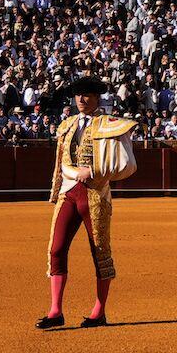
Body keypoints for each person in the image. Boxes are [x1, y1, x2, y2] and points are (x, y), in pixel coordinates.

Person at [39, 76, 139, 329]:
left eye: (87, 95)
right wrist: (73, 175)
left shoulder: (110, 124)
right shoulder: (67, 124)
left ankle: (99, 311)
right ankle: (55, 311)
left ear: (97, 98)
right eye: (78, 95)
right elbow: (61, 162)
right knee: (56, 249)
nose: (81, 100)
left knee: (100, 253)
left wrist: (93, 172)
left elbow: (126, 165)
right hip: (69, 192)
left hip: (95, 194)